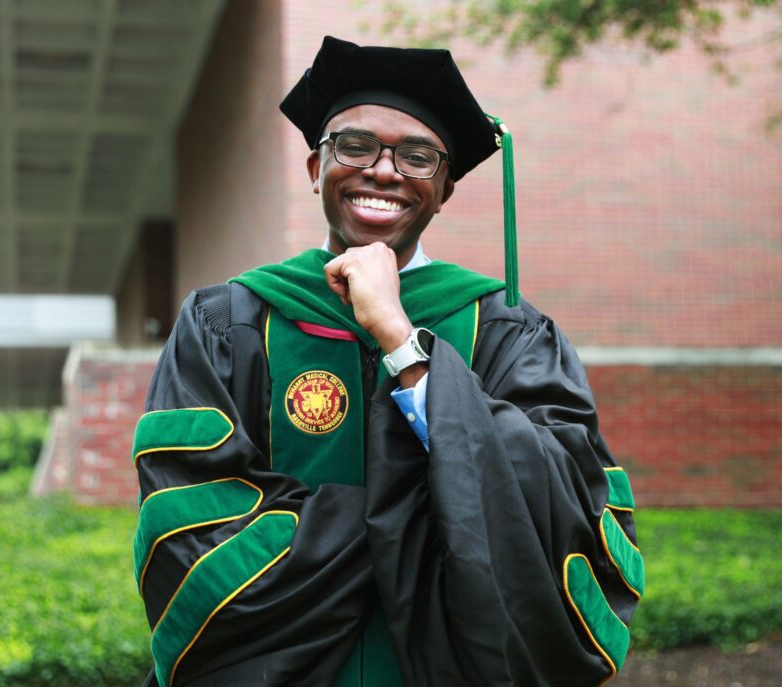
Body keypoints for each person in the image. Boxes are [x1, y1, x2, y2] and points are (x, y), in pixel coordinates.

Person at [133, 36, 643, 687]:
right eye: (354, 145)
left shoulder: (507, 328)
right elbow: (188, 515)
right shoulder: (225, 321)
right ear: (316, 169)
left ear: (444, 189)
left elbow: (564, 497)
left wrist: (400, 338)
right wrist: (417, 523)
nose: (383, 169)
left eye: (417, 156)